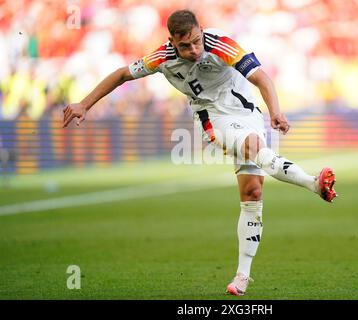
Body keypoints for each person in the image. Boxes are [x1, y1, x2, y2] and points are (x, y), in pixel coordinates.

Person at [62, 9, 337, 296]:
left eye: (196, 41)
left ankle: (242, 277)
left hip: (247, 113)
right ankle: (313, 183)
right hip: (213, 118)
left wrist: (275, 111)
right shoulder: (161, 58)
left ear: (201, 31)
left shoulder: (222, 45)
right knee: (255, 147)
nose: (193, 50)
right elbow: (121, 75)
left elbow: (262, 79)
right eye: (184, 45)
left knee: (253, 193)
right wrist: (84, 104)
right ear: (172, 42)